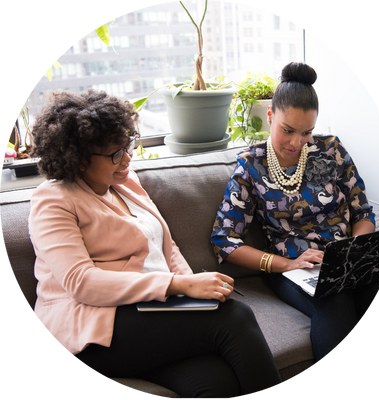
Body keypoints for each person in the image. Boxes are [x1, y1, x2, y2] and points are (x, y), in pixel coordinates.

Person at [28, 89, 281, 398]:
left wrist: (193, 290)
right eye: (115, 153)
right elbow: (81, 283)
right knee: (236, 316)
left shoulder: (125, 182)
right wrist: (178, 286)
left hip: (149, 314)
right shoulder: (53, 200)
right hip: (92, 328)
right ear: (79, 159)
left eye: (128, 145)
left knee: (215, 384)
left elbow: (167, 246)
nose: (128, 157)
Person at [211, 62, 379, 365]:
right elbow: (224, 241)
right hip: (293, 269)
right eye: (287, 130)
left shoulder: (330, 151)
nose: (296, 143)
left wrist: (356, 250)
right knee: (334, 300)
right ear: (270, 116)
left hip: (344, 259)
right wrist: (288, 264)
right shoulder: (251, 167)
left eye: (306, 132)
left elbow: (362, 211)